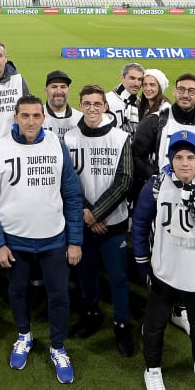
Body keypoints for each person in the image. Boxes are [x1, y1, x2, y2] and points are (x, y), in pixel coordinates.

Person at [0, 95, 83, 384]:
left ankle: (58, 347)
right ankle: (24, 334)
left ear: (43, 118)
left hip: (54, 239)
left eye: (36, 116)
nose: (31, 121)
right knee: (18, 291)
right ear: (15, 117)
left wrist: (75, 241)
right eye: (25, 116)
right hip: (14, 241)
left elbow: (72, 196)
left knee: (59, 295)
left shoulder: (56, 145)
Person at [132, 130, 195, 390]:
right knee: (156, 324)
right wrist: (142, 259)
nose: (185, 163)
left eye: (191, 157)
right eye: (179, 157)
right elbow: (139, 223)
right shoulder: (157, 185)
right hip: (166, 269)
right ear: (171, 159)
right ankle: (153, 369)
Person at [65, 84, 134, 356]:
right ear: (80, 106)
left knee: (118, 278)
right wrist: (86, 213)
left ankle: (121, 323)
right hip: (83, 223)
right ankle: (92, 314)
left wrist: (97, 213)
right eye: (87, 104)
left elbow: (125, 180)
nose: (92, 108)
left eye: (97, 104)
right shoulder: (69, 139)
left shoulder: (120, 138)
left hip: (113, 223)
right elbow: (67, 181)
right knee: (86, 274)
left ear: (105, 106)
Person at [105, 62, 145, 137]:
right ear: (122, 78)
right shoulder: (106, 100)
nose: (136, 84)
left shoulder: (140, 103)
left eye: (140, 79)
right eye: (132, 78)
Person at [42, 70, 82, 140]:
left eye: (63, 87)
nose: (59, 91)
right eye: (54, 87)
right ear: (46, 90)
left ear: (68, 90)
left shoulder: (80, 119)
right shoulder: (36, 116)